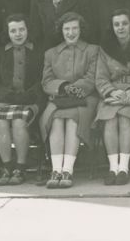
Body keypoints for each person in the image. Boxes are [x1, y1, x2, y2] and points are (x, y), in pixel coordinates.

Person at [39, 11, 99, 189]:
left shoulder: (92, 50)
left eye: (74, 28)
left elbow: (91, 78)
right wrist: (63, 87)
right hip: (58, 99)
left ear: (81, 30)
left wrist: (74, 89)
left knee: (73, 118)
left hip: (85, 98)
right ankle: (56, 170)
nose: (71, 33)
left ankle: (68, 170)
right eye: (67, 29)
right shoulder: (51, 53)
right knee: (55, 119)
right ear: (61, 31)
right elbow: (46, 81)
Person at [0, 14, 45, 185]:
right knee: (0, 120)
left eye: (21, 29)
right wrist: (8, 95)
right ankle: (7, 166)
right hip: (5, 100)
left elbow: (43, 81)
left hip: (30, 101)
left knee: (19, 120)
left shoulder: (38, 52)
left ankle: (20, 166)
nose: (18, 34)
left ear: (27, 30)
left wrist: (28, 95)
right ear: (8, 33)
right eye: (13, 31)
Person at [94, 9, 130, 185]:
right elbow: (100, 77)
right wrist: (111, 91)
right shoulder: (105, 49)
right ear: (112, 27)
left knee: (125, 119)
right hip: (112, 94)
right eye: (116, 24)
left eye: (124, 24)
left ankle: (123, 168)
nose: (121, 28)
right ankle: (113, 168)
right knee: (110, 120)